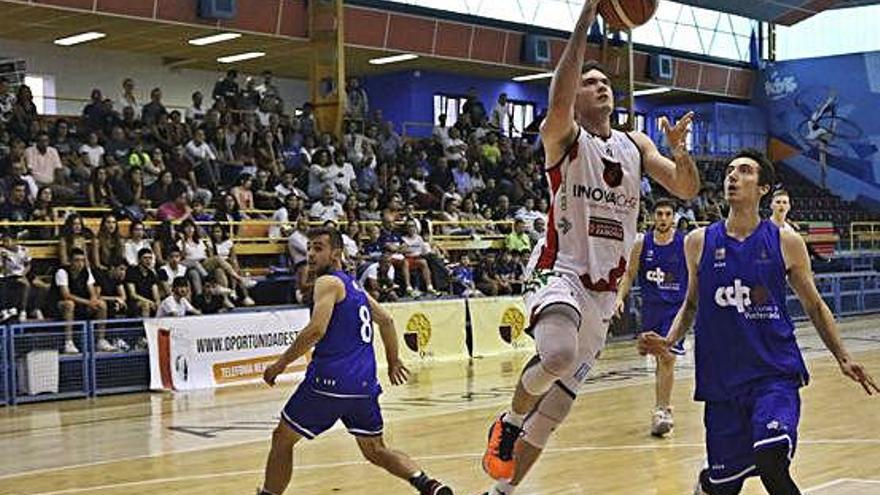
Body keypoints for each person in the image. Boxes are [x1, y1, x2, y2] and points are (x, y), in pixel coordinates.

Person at [480, 2, 701, 493]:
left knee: (556, 408)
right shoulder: (562, 137)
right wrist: (587, 17)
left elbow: (685, 189)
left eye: (605, 82)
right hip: (559, 270)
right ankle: (509, 422)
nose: (600, 86)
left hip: (602, 293)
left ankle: (502, 490)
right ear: (573, 98)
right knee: (556, 355)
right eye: (589, 81)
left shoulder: (636, 144)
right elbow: (560, 91)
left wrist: (681, 152)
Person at [638, 149, 879, 495]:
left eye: (745, 171)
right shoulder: (698, 242)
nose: (733, 177)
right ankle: (708, 483)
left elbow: (813, 305)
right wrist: (670, 340)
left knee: (772, 460)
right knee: (724, 487)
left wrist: (843, 355)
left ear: (763, 188)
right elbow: (691, 303)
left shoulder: (786, 242)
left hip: (773, 374)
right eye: (730, 171)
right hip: (721, 382)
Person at [257, 227, 453, 495]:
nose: (311, 254)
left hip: (328, 382)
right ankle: (427, 484)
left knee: (282, 438)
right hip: (363, 385)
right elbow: (386, 320)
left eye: (318, 248)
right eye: (309, 248)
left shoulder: (328, 283)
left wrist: (279, 365)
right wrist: (393, 360)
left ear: (336, 254)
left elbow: (316, 330)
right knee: (375, 449)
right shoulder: (355, 287)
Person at [614, 198, 686, 437]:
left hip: (675, 310)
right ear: (653, 216)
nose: (663, 218)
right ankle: (662, 405)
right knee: (660, 361)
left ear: (673, 218)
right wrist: (618, 298)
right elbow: (629, 273)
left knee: (667, 357)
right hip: (651, 309)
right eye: (660, 214)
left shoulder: (684, 242)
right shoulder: (641, 243)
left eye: (667, 214)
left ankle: (662, 410)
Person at [48, 248, 111, 353]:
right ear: (70, 261)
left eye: (82, 260)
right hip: (57, 304)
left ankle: (101, 340)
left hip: (80, 303)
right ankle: (68, 342)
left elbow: (92, 291)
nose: (80, 263)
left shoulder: (86, 271)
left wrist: (94, 300)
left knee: (102, 304)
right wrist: (88, 302)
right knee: (69, 304)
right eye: (77, 260)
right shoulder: (62, 271)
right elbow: (66, 295)